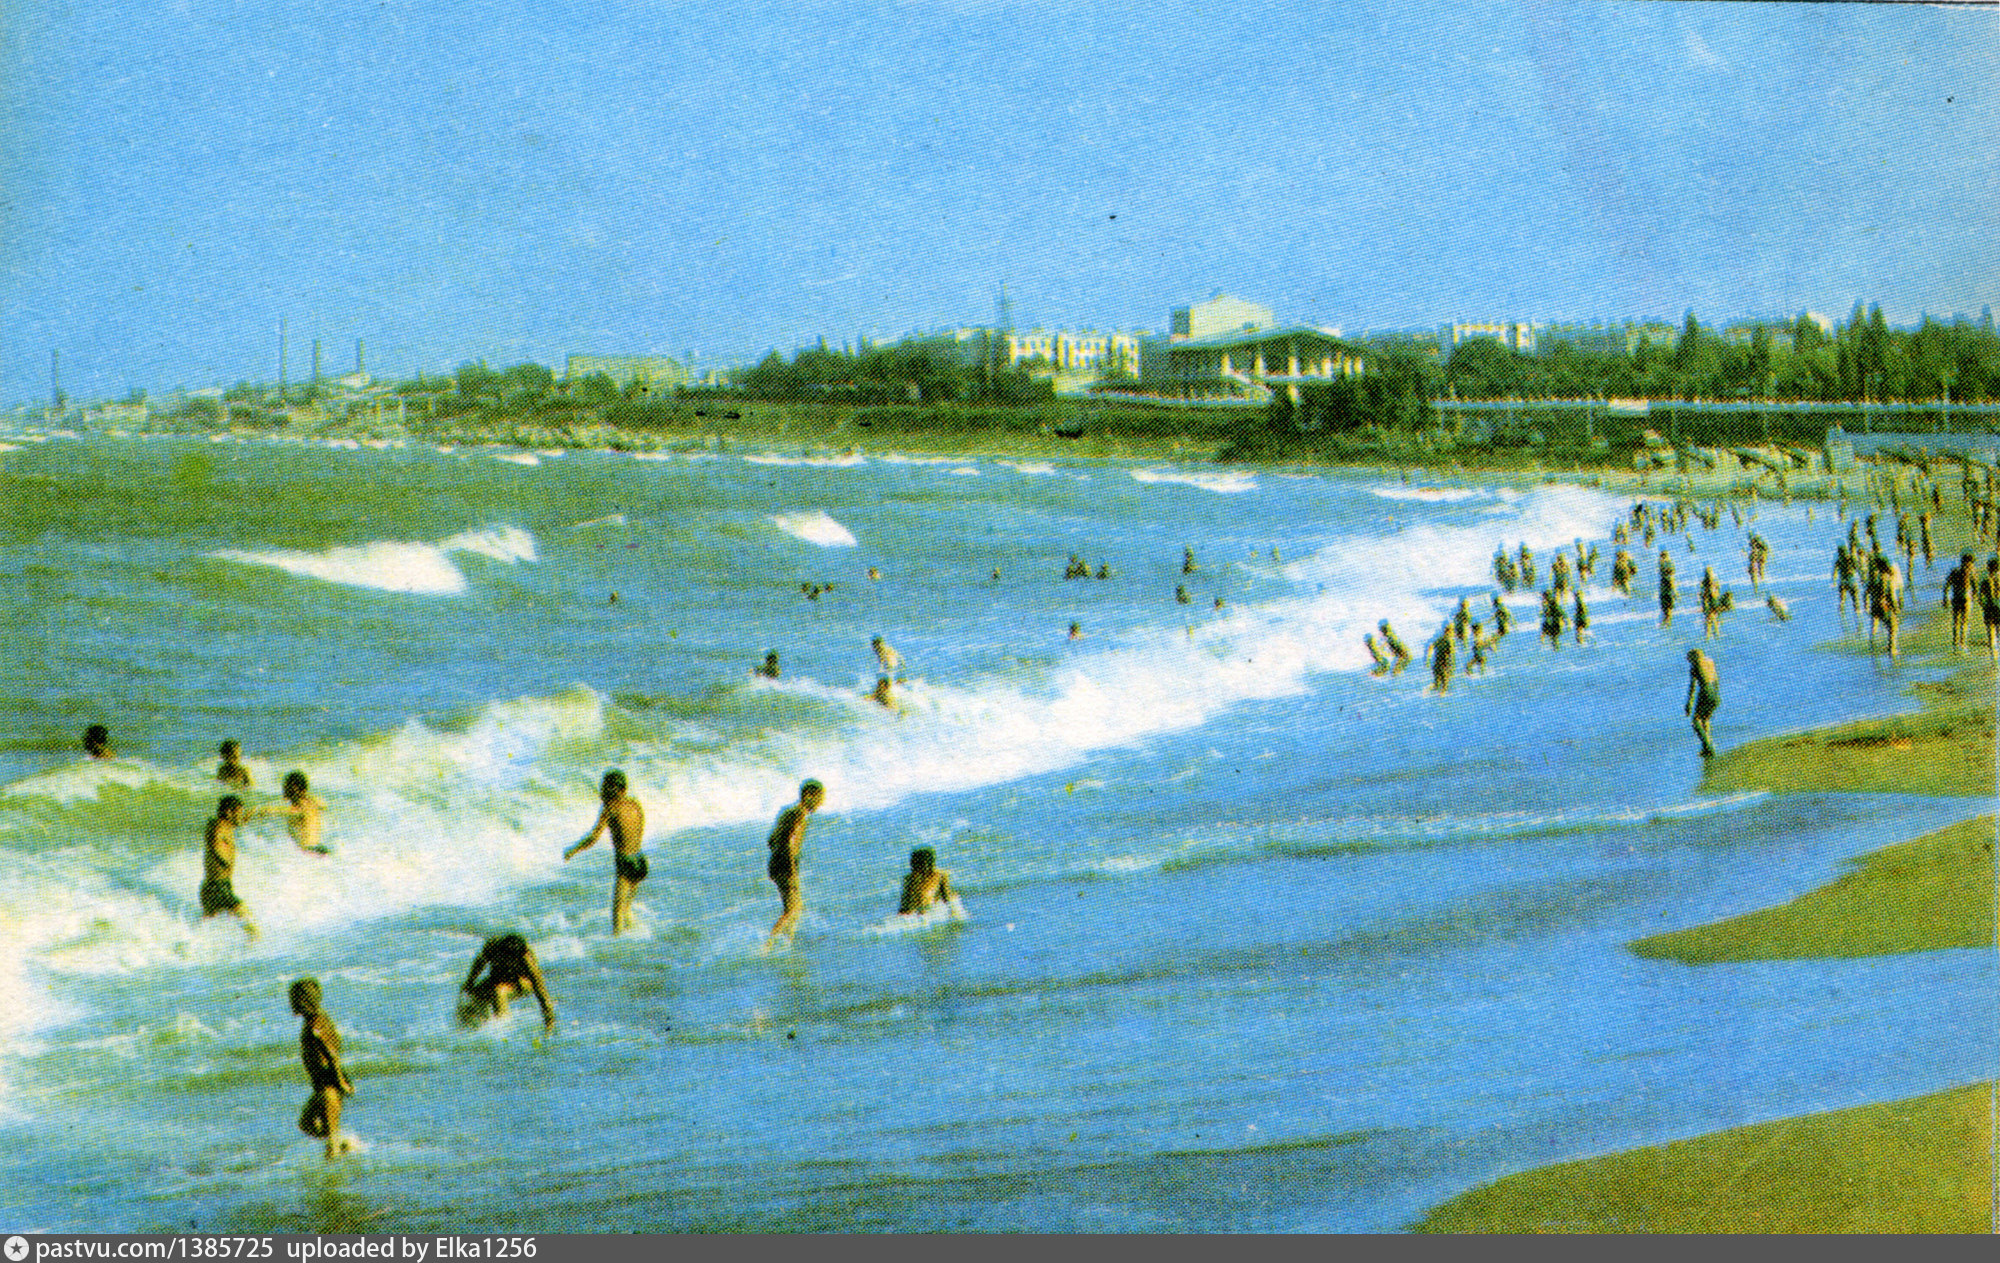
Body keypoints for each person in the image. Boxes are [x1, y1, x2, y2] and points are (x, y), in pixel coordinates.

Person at [563, 770, 647, 935]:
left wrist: (573, 850)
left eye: (604, 787)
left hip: (625, 863)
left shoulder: (610, 808)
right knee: (627, 909)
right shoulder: (635, 804)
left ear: (613, 790)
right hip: (640, 860)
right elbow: (638, 829)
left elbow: (593, 838)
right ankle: (636, 938)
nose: (602, 790)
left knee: (617, 916)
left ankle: (619, 946)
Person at [289, 978, 355, 1159]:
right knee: (306, 1124)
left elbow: (331, 1054)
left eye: (293, 999)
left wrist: (340, 1081)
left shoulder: (314, 1027)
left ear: (303, 1001)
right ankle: (345, 1146)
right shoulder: (318, 1019)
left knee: (331, 1141)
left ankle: (336, 1166)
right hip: (322, 1085)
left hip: (328, 1085)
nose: (290, 1003)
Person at [765, 779, 825, 947]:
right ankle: (768, 946)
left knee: (796, 908)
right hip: (786, 865)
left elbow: (771, 840)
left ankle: (785, 942)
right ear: (809, 796)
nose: (820, 804)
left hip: (777, 864)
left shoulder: (789, 812)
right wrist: (791, 868)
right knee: (792, 909)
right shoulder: (799, 814)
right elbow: (788, 843)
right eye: (819, 798)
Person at [458, 933, 554, 1031]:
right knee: (474, 995)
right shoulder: (493, 946)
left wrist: (548, 1019)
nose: (508, 961)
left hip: (521, 982)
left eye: (512, 959)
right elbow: (479, 964)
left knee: (499, 992)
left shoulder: (526, 959)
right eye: (506, 957)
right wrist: (469, 983)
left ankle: (503, 1029)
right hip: (497, 978)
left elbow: (540, 990)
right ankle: (467, 1027)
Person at [200, 795, 257, 937]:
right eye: (239, 813)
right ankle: (258, 947)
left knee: (210, 932)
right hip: (217, 888)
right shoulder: (218, 827)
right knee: (249, 922)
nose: (241, 817)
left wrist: (248, 816)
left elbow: (237, 824)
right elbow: (215, 842)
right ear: (229, 812)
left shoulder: (226, 826)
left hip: (218, 887)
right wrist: (225, 859)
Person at [253, 770, 330, 854]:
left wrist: (261, 811)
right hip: (317, 848)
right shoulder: (313, 802)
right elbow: (323, 805)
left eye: (286, 786)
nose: (284, 791)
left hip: (308, 851)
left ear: (294, 788)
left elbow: (286, 811)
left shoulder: (300, 807)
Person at [898, 846, 962, 917]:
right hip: (922, 913)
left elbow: (947, 898)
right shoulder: (910, 879)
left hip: (925, 913)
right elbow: (905, 903)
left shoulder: (940, 876)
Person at [1684, 649, 1720, 758]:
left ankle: (1708, 746)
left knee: (1696, 721)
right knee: (1705, 719)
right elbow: (1716, 680)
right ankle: (1706, 748)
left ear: (1694, 657)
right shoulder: (1710, 662)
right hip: (1715, 693)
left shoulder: (1695, 667)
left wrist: (1689, 704)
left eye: (1689, 658)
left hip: (1705, 691)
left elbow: (1692, 688)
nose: (1688, 660)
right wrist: (1716, 694)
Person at [1943, 553, 1975, 653]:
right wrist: (1974, 598)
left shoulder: (1954, 571)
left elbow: (1947, 586)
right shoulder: (1971, 572)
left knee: (1956, 622)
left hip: (1956, 597)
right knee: (1964, 622)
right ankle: (1962, 644)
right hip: (1966, 597)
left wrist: (1945, 598)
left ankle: (1956, 644)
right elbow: (1975, 587)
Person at [1981, 557, 2000, 664]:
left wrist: (1983, 605)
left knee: (1991, 633)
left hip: (1989, 607)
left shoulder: (1986, 580)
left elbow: (1981, 596)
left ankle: (1994, 658)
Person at [1426, 626, 1454, 692]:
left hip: (1436, 665)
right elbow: (1451, 655)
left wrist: (1428, 659)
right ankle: (1441, 695)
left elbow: (1431, 647)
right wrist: (1452, 667)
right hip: (1444, 665)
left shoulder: (1439, 639)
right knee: (1444, 685)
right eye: (1452, 632)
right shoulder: (1449, 642)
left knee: (1437, 685)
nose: (1453, 634)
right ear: (1449, 632)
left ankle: (1427, 690)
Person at [1700, 566, 1724, 640]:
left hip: (1710, 601)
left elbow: (1702, 594)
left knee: (1709, 619)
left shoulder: (1705, 582)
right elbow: (1717, 591)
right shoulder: (1714, 581)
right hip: (1713, 601)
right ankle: (1715, 634)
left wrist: (1704, 603)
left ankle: (1710, 635)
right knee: (1713, 619)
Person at [1657, 550, 1677, 626]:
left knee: (1667, 607)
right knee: (1666, 607)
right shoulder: (1667, 563)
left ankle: (1667, 622)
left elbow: (1670, 579)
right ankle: (1666, 621)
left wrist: (1674, 591)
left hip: (1667, 588)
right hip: (1665, 588)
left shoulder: (1666, 564)